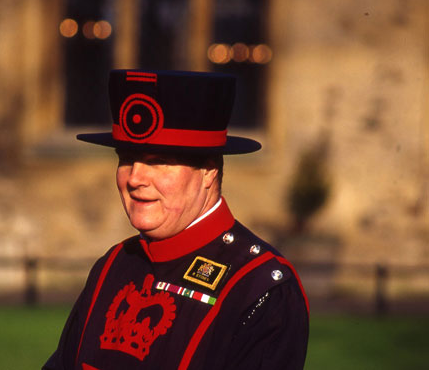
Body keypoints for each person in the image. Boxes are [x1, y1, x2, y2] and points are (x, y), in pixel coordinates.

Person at [43, 70, 309, 370]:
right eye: (127, 159)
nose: (134, 178)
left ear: (208, 171)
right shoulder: (113, 265)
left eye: (159, 162)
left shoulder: (259, 286)